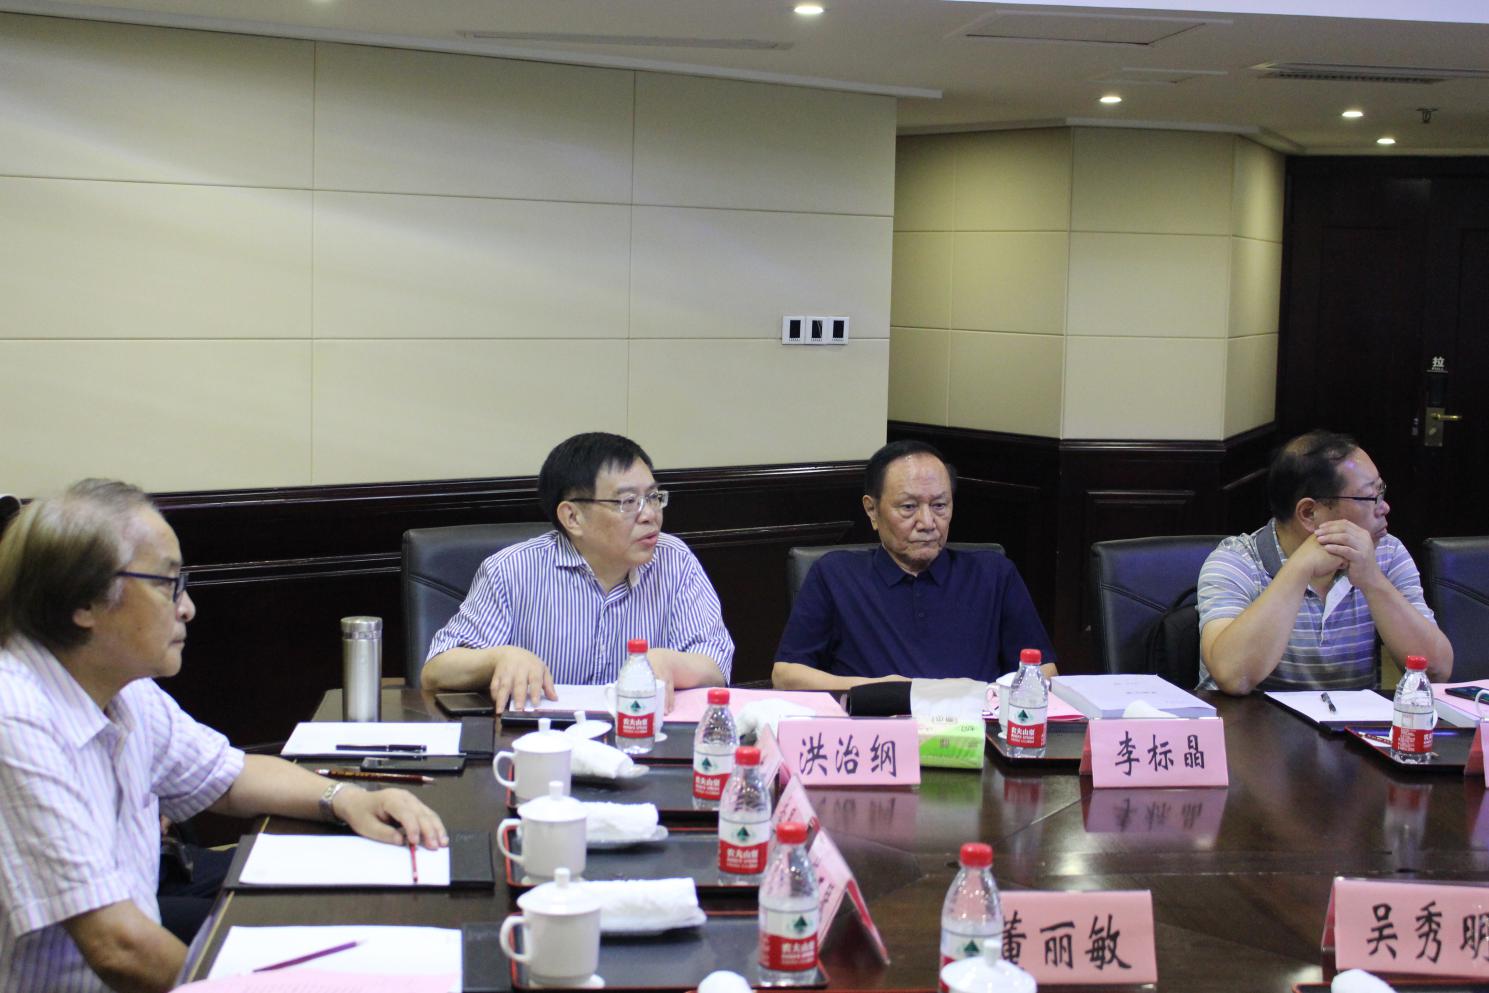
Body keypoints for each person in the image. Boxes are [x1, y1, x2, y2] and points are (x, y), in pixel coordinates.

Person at [0, 480, 448, 993]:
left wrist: (348, 799)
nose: (187, 607)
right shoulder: (16, 718)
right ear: (83, 599)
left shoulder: (125, 690)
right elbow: (117, 948)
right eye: (168, 583)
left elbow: (229, 777)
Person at [421, 432, 733, 711]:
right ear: (572, 517)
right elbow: (436, 671)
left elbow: (716, 662)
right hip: (543, 743)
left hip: (641, 738)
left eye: (653, 497)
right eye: (628, 502)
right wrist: (498, 658)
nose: (650, 514)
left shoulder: (674, 560)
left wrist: (672, 662)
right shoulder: (512, 570)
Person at [772, 440, 1056, 691]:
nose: (927, 522)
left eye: (939, 505)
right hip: (874, 727)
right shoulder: (835, 575)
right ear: (872, 509)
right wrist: (883, 690)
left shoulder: (993, 574)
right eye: (908, 507)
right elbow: (786, 675)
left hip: (974, 728)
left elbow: (1044, 671)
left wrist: (984, 695)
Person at [1197, 430, 1453, 694]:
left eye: (1381, 490)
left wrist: (1373, 580)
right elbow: (1233, 677)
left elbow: (1436, 670)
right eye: (1370, 497)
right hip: (1252, 720)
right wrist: (1299, 568)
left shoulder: (1386, 552)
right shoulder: (1236, 561)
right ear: (1309, 513)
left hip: (1351, 720)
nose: (1384, 507)